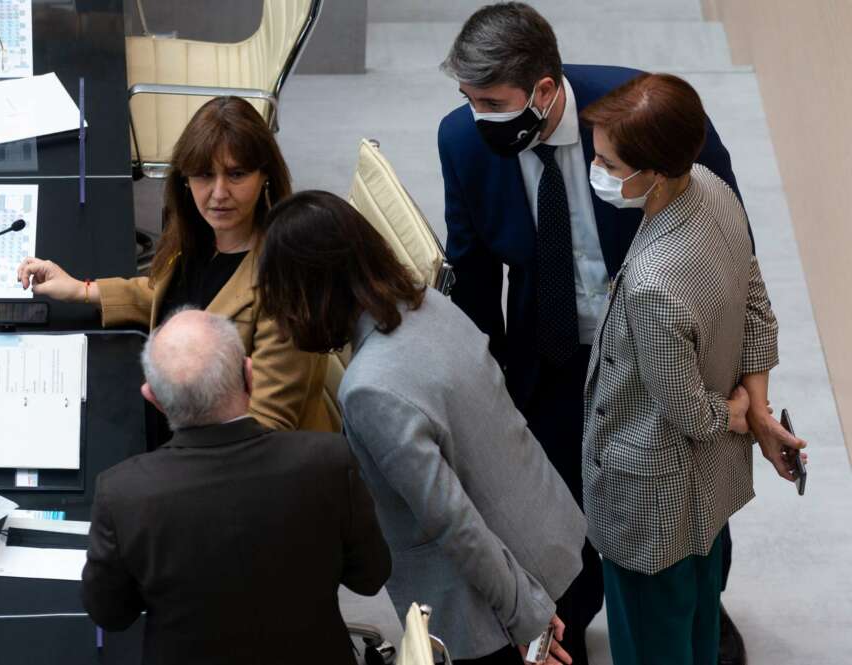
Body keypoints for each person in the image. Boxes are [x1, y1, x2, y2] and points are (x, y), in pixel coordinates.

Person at [437, 5, 803, 662]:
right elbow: (471, 274)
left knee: (677, 514)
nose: (475, 117)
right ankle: (565, 625)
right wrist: (482, 403)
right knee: (556, 510)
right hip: (546, 355)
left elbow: (735, 269)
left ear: (544, 91)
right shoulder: (463, 142)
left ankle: (692, 608)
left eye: (491, 101)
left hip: (658, 360)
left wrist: (749, 398)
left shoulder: (646, 123)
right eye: (467, 100)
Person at [257, 190, 585, 665]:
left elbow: (454, 521)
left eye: (281, 298)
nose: (278, 319)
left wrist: (524, 617)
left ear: (312, 290)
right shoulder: (428, 304)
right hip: (549, 545)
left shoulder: (369, 390)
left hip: (496, 612)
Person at [578, 73, 780, 665]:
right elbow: (756, 304)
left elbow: (691, 413)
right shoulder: (715, 191)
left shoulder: (651, 286)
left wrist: (739, 413)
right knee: (693, 628)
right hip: (704, 495)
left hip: (647, 510)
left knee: (649, 645)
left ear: (655, 173)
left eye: (609, 164)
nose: (600, 173)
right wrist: (756, 406)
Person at [81, 308, 391, 665]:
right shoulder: (330, 462)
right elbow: (371, 577)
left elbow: (110, 615)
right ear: (249, 374)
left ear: (153, 398)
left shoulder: (123, 495)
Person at [17, 96, 333, 432]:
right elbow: (174, 298)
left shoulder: (288, 285)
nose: (219, 192)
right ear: (185, 180)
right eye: (204, 175)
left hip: (234, 457)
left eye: (236, 174)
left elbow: (270, 427)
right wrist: (82, 290)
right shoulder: (200, 237)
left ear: (264, 175)